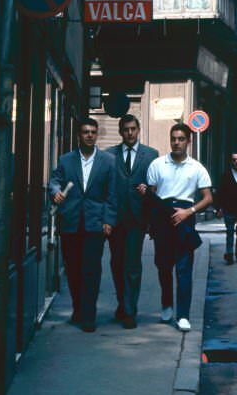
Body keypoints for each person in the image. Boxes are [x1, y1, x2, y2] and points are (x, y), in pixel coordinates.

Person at [48, 117, 117, 332]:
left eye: (92, 132)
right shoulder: (66, 160)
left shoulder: (108, 161)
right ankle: (78, 309)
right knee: (73, 270)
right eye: (85, 132)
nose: (89, 135)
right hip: (70, 222)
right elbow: (54, 181)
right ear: (79, 135)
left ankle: (89, 316)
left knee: (91, 270)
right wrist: (55, 192)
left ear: (97, 135)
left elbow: (112, 194)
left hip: (95, 224)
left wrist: (109, 220)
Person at [146, 123, 212, 332]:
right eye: (173, 138)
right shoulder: (157, 164)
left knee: (184, 268)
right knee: (163, 266)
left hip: (185, 215)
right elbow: (152, 194)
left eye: (181, 139)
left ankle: (183, 314)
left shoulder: (197, 168)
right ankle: (167, 305)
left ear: (188, 141)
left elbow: (208, 198)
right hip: (162, 215)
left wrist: (189, 211)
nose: (176, 142)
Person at [106, 114, 158, 328]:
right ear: (120, 131)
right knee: (117, 264)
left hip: (137, 219)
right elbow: (105, 188)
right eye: (125, 129)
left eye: (133, 129)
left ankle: (130, 311)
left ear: (138, 130)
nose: (129, 133)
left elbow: (157, 186)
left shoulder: (151, 155)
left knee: (133, 265)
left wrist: (148, 192)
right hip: (116, 218)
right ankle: (122, 302)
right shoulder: (109, 155)